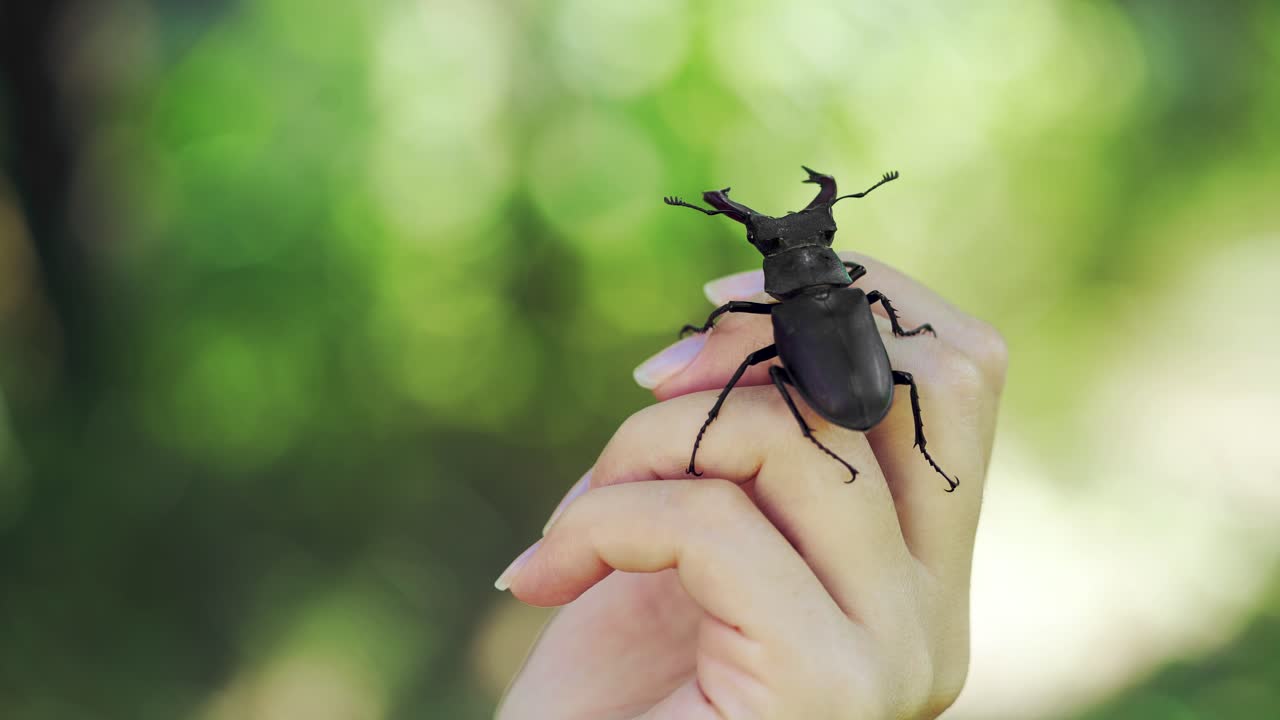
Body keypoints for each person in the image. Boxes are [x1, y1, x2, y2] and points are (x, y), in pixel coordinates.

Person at [493, 252, 1007, 719]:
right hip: (854, 392)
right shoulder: (859, 298)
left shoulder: (815, 305)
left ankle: (852, 441)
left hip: (837, 396)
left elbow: (742, 348)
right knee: (901, 378)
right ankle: (849, 441)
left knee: (759, 364)